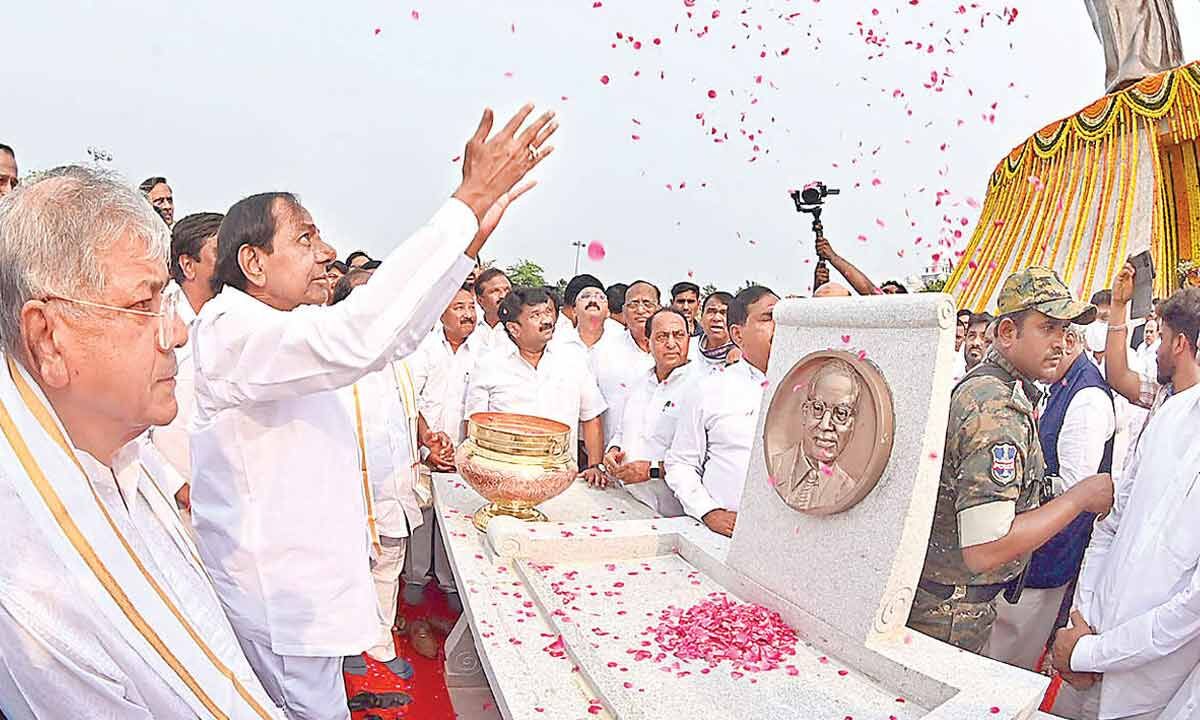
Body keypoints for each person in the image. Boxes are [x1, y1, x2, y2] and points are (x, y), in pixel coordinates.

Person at [188, 104, 555, 719]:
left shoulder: (285, 323)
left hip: (302, 589)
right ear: (252, 262)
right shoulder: (231, 328)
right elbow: (361, 336)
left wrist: (467, 245)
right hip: (279, 597)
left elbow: (394, 338)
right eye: (304, 238)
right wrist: (463, 201)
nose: (325, 251)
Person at [0, 165, 281, 719]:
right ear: (47, 338)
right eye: (141, 305)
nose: (176, 332)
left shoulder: (118, 445)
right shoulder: (34, 589)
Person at [908, 266, 1114, 654]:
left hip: (950, 602)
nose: (1060, 341)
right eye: (1047, 328)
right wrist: (1079, 499)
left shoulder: (994, 387)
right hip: (951, 613)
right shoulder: (996, 407)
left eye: (1065, 330)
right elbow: (986, 548)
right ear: (1006, 333)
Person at [1050, 276, 1200, 720]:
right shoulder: (1169, 411)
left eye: (1161, 336)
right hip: (1090, 643)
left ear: (1179, 344)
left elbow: (1190, 607)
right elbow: (1112, 526)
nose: (1155, 346)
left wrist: (1093, 654)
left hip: (1146, 686)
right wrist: (1081, 623)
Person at [987, 322, 1114, 671]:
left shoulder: (1086, 398)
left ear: (1069, 341)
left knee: (1009, 661)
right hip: (1030, 547)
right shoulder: (1062, 383)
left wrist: (1023, 480)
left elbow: (1078, 489)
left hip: (1046, 557)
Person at [327, 275, 426, 687]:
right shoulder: (334, 360)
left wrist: (426, 437)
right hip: (347, 488)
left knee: (389, 563)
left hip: (394, 483)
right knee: (349, 568)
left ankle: (378, 640)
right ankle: (347, 644)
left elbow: (408, 414)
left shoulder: (400, 359)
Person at [665, 285, 778, 537]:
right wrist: (708, 511)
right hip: (726, 536)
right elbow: (681, 462)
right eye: (769, 318)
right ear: (737, 334)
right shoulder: (709, 388)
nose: (779, 326)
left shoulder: (813, 387)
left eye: (784, 317)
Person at [465, 286, 607, 484]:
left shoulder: (572, 359)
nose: (547, 320)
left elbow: (591, 415)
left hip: (560, 479)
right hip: (504, 479)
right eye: (536, 315)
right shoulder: (488, 365)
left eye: (548, 312)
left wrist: (594, 466)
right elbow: (474, 425)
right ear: (514, 328)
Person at [404, 284, 485, 609]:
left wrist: (463, 454)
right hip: (423, 449)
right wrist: (429, 445)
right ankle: (415, 578)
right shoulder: (423, 348)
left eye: (471, 307)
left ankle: (452, 583)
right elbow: (412, 400)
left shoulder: (485, 350)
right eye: (458, 307)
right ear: (441, 313)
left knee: (457, 520)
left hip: (464, 455)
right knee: (421, 518)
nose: (467, 314)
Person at [149, 211, 224, 506]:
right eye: (220, 252)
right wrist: (178, 487)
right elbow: (133, 432)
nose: (232, 263)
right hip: (175, 507)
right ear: (187, 265)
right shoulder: (156, 321)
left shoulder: (229, 321)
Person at [602, 308, 698, 516]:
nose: (671, 343)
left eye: (679, 335)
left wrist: (651, 470)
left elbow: (704, 459)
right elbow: (622, 430)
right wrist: (612, 451)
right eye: (662, 336)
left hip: (673, 513)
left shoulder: (701, 388)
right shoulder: (640, 382)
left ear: (689, 339)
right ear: (647, 343)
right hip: (628, 500)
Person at [770, 359, 863, 514]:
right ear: (805, 412)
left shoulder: (847, 489)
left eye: (840, 413)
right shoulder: (776, 465)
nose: (825, 425)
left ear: (852, 424)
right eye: (818, 408)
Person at [590, 281, 658, 449]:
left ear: (658, 309)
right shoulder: (602, 352)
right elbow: (590, 411)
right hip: (612, 459)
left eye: (647, 304)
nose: (640, 310)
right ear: (624, 311)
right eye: (633, 304)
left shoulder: (676, 352)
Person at [690, 291, 741, 371]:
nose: (716, 318)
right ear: (701, 317)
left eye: (723, 313)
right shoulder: (688, 347)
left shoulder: (743, 355)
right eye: (711, 311)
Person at [473, 267, 512, 351]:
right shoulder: (470, 329)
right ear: (480, 300)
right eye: (495, 291)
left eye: (507, 290)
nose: (503, 295)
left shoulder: (523, 330)